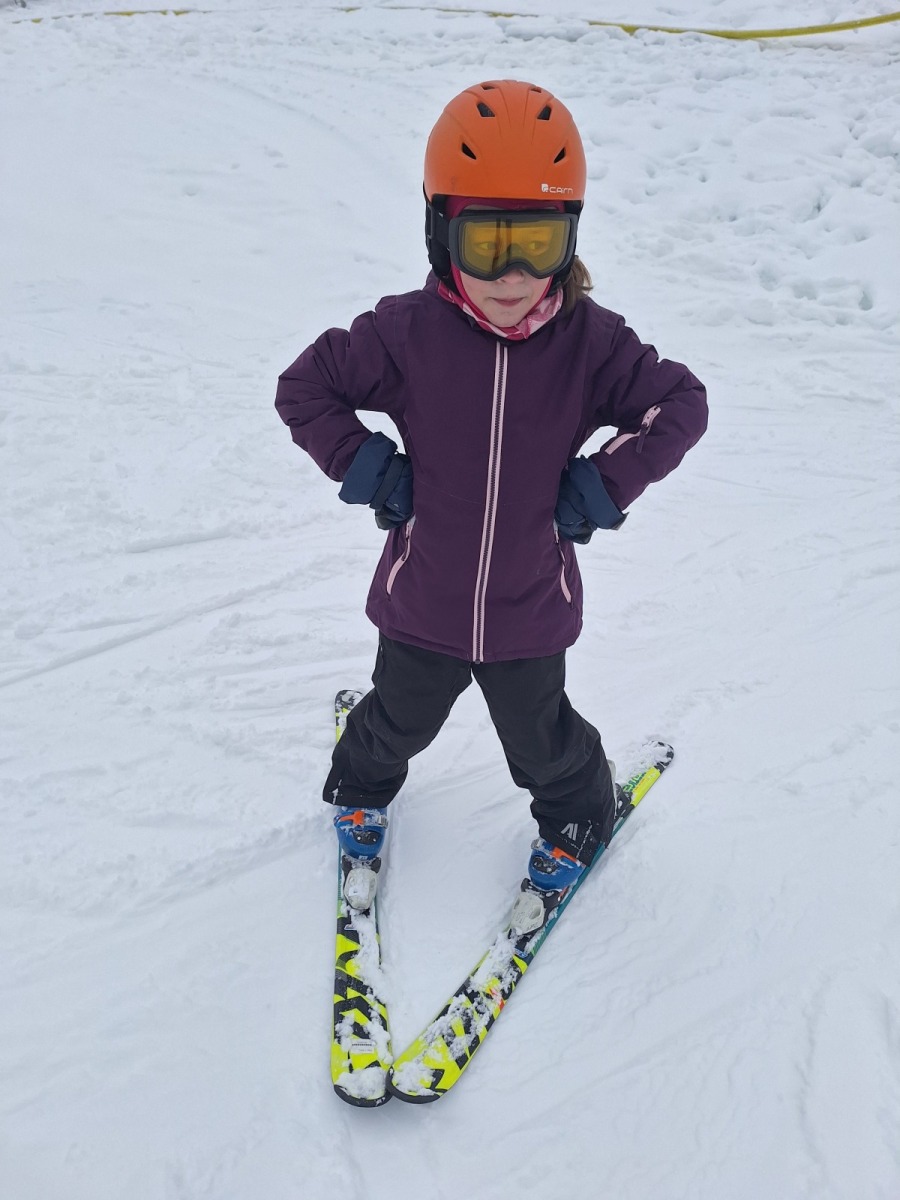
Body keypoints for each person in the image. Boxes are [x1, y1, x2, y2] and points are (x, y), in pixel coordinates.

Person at [276, 79, 707, 933]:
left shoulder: (591, 344)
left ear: (569, 235)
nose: (513, 275)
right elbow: (306, 388)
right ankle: (361, 789)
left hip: (528, 606)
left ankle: (578, 817)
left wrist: (602, 484)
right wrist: (372, 469)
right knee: (395, 722)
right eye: (487, 243)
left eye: (537, 243)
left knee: (542, 742)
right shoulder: (407, 333)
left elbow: (679, 404)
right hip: (421, 598)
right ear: (441, 232)